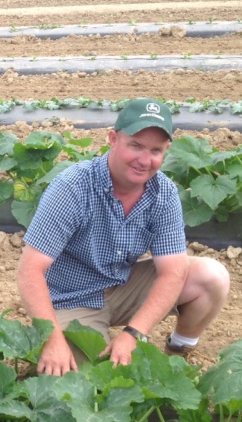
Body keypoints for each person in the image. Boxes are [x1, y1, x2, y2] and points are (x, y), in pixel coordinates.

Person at [16, 98, 230, 376]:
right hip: (71, 298)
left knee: (211, 276)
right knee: (84, 383)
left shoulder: (162, 193)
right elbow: (30, 270)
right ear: (113, 139)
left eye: (155, 150)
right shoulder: (73, 187)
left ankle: (179, 351)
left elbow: (173, 273)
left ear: (167, 151)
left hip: (123, 287)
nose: (145, 160)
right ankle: (56, 346)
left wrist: (133, 334)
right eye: (136, 146)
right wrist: (52, 339)